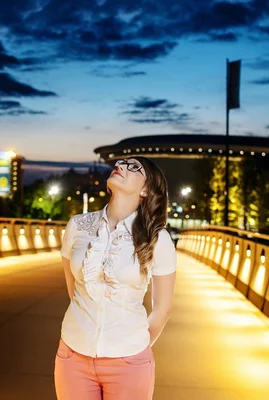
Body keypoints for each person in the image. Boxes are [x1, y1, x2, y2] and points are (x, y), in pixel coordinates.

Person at [55, 156, 177, 400]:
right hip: (72, 355)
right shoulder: (78, 225)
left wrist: (134, 345)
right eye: (122, 163)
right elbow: (74, 290)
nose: (121, 166)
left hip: (129, 362)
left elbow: (163, 307)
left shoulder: (157, 238)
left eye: (134, 168)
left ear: (145, 190)